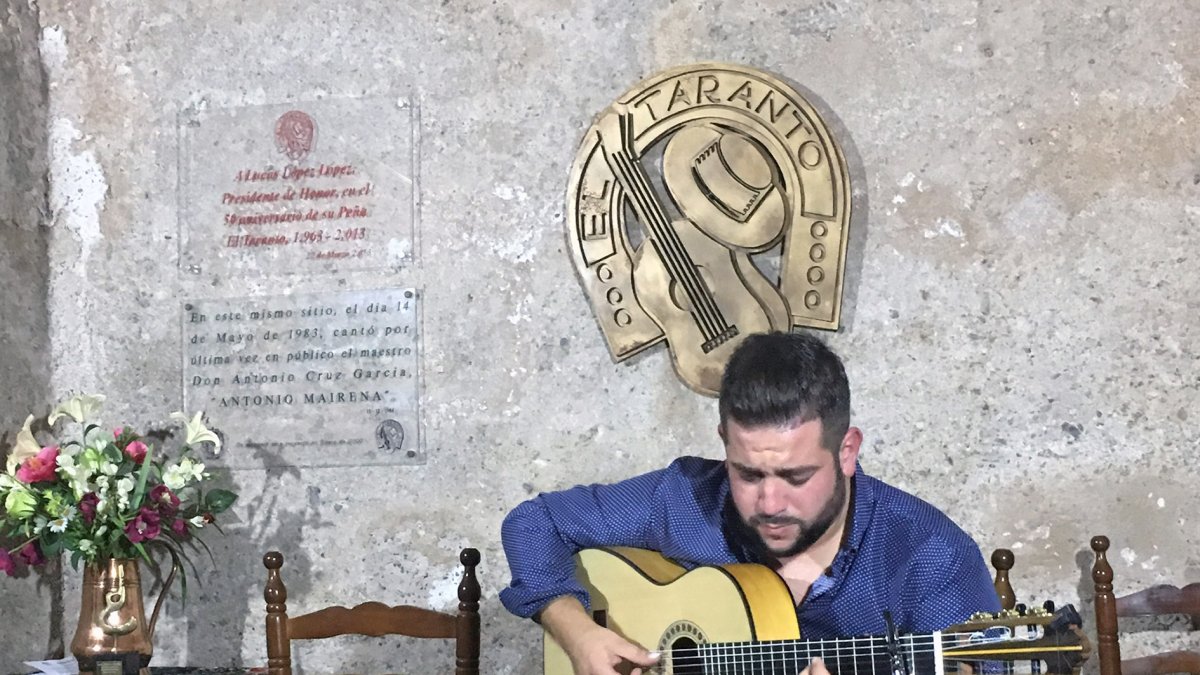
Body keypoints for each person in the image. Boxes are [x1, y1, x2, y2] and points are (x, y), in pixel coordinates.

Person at [500, 331, 1001, 675]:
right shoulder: (686, 499)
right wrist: (576, 633)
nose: (769, 502)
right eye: (748, 473)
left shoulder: (930, 555)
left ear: (846, 451)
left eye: (795, 475)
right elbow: (534, 522)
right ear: (724, 442)